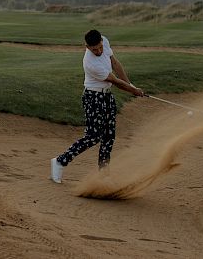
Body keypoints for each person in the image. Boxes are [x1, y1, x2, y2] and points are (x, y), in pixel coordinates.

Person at [50, 29, 145, 183]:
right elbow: (114, 80)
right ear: (87, 47)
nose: (99, 51)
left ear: (102, 41)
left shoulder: (104, 41)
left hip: (107, 96)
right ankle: (60, 161)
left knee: (109, 137)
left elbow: (114, 62)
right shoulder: (90, 63)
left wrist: (130, 84)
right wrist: (133, 90)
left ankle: (104, 175)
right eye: (94, 49)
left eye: (100, 47)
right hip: (93, 97)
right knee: (93, 136)